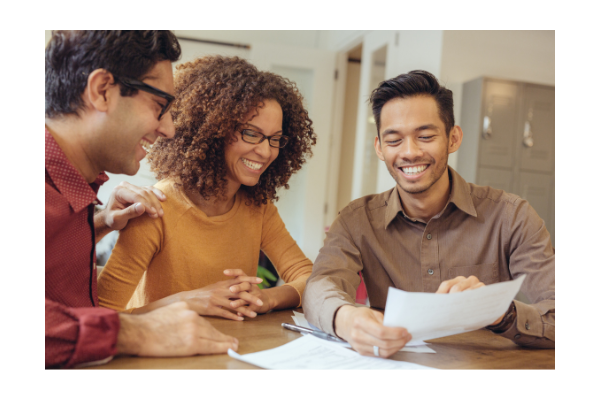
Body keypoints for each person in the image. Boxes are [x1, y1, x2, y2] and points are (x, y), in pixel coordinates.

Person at [304, 70, 555, 358]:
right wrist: (345, 318)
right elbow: (320, 287)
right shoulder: (355, 220)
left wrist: (499, 312)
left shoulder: (512, 216)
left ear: (453, 138)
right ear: (380, 148)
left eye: (424, 136)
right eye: (394, 140)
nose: (409, 152)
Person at [45, 31, 238, 369]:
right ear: (102, 90)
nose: (169, 129)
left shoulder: (76, 188)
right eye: (159, 106)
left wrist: (102, 221)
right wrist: (134, 332)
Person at [98, 56, 315, 321]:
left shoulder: (258, 208)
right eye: (251, 133)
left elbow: (309, 278)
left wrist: (267, 298)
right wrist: (184, 303)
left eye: (275, 139)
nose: (266, 150)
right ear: (214, 129)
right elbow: (101, 316)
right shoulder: (156, 207)